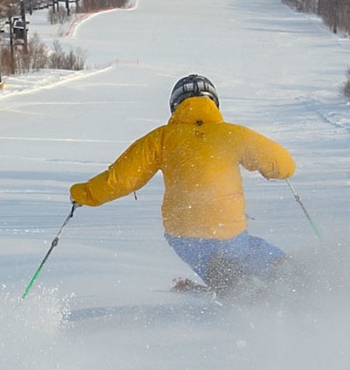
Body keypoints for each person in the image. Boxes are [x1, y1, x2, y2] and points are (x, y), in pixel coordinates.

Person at [69, 74, 296, 291]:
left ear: (175, 105)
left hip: (183, 231)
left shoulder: (162, 138)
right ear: (214, 103)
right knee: (245, 250)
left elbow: (121, 179)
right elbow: (284, 164)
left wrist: (85, 194)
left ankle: (231, 285)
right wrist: (279, 171)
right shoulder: (233, 134)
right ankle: (285, 271)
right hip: (229, 228)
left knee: (206, 257)